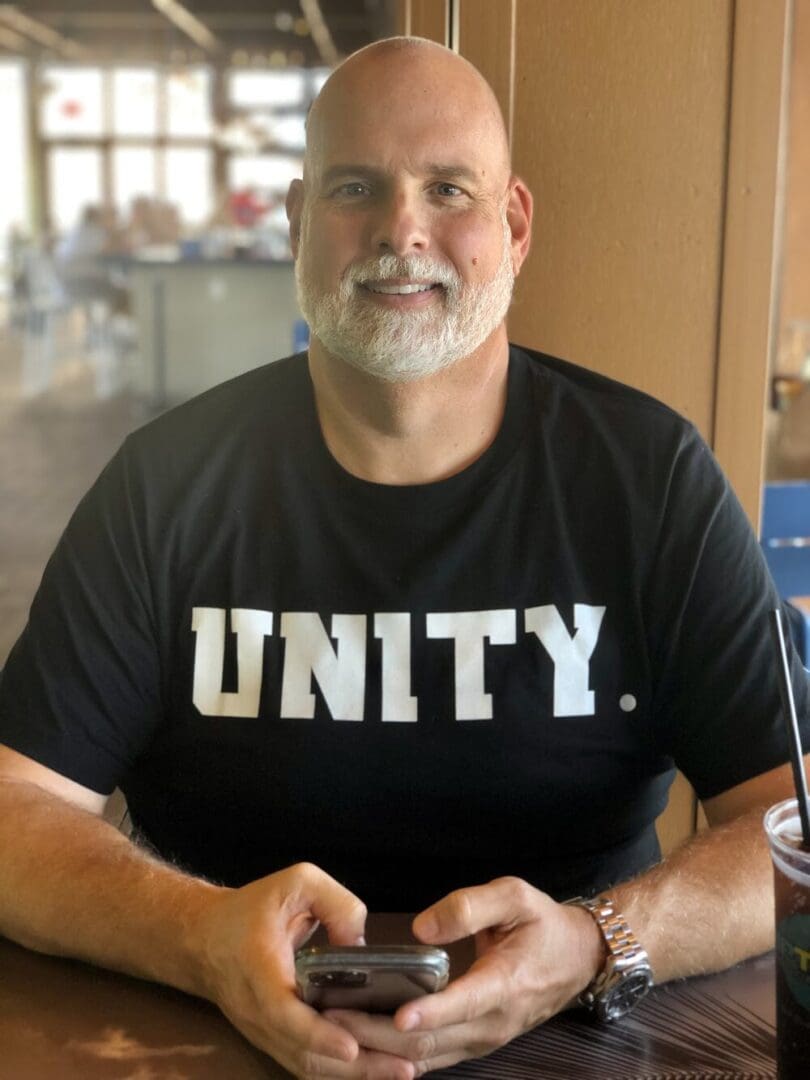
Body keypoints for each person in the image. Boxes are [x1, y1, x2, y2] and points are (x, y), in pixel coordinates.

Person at [0, 36, 808, 1080]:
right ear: (295, 225)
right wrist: (200, 938)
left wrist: (596, 942)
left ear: (513, 226)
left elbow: (788, 821)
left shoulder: (645, 481)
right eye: (354, 187)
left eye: (446, 188)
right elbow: (13, 811)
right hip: (212, 1041)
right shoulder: (168, 485)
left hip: (579, 1042)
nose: (401, 231)